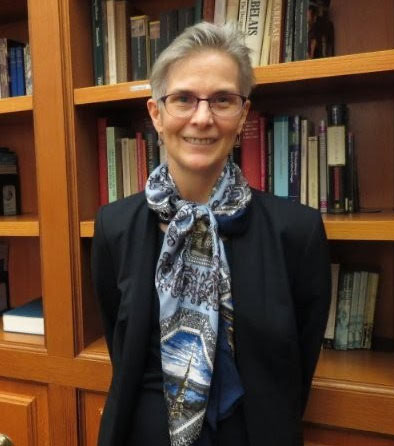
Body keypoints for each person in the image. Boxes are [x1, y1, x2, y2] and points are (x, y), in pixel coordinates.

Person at [92, 22, 331, 446]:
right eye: (183, 98)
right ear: (156, 114)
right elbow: (120, 343)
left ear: (242, 116)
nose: (202, 118)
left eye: (222, 100)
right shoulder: (113, 226)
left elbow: (298, 363)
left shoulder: (298, 231)